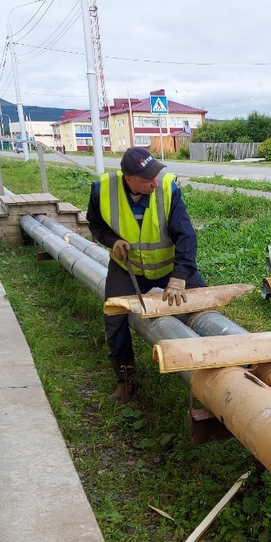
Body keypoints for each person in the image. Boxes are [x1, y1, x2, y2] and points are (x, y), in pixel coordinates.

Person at [87, 146, 206, 401]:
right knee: (114, 318)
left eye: (155, 174)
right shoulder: (102, 191)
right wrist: (113, 240)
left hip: (167, 268)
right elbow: (95, 224)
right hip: (128, 268)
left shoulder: (167, 189)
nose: (154, 182)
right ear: (129, 179)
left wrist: (180, 275)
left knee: (203, 303)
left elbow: (186, 235)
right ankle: (127, 381)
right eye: (146, 179)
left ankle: (217, 365)